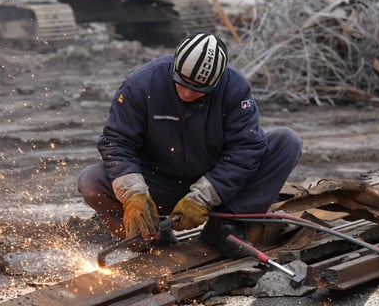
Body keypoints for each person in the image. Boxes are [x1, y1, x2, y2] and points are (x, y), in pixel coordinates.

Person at [77, 31, 303, 257]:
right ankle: (149, 237)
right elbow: (117, 143)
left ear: (216, 83)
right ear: (175, 66)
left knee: (287, 142)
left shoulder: (235, 89)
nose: (186, 93)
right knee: (91, 181)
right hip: (160, 183)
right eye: (182, 84)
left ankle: (225, 229)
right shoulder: (142, 84)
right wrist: (134, 194)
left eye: (198, 90)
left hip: (219, 184)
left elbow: (246, 148)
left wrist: (205, 196)